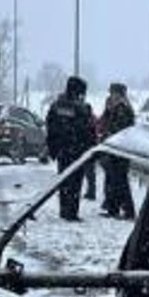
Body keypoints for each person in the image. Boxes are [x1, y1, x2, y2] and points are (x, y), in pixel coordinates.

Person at [44, 76, 97, 221]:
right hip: (77, 150)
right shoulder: (82, 108)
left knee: (64, 181)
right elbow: (88, 130)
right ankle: (71, 212)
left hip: (63, 150)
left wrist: (53, 147)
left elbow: (50, 126)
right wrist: (91, 147)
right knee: (75, 183)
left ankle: (63, 210)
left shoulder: (56, 105)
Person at [100, 82, 137, 219]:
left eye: (113, 93)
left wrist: (109, 135)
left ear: (120, 94)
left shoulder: (123, 108)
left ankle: (129, 211)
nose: (111, 96)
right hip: (113, 148)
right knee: (111, 179)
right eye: (110, 93)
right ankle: (112, 208)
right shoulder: (113, 107)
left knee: (120, 181)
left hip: (121, 149)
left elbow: (119, 129)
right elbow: (105, 123)